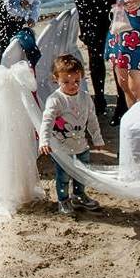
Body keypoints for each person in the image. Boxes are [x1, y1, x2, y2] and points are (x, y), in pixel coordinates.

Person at [39, 55, 105, 215]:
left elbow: (92, 119)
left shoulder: (85, 97)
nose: (72, 85)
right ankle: (63, 200)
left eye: (77, 81)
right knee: (63, 176)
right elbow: (47, 122)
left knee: (81, 173)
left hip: (81, 146)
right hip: (62, 148)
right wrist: (44, 141)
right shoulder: (55, 100)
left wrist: (97, 137)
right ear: (56, 79)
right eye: (66, 82)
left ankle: (79, 195)